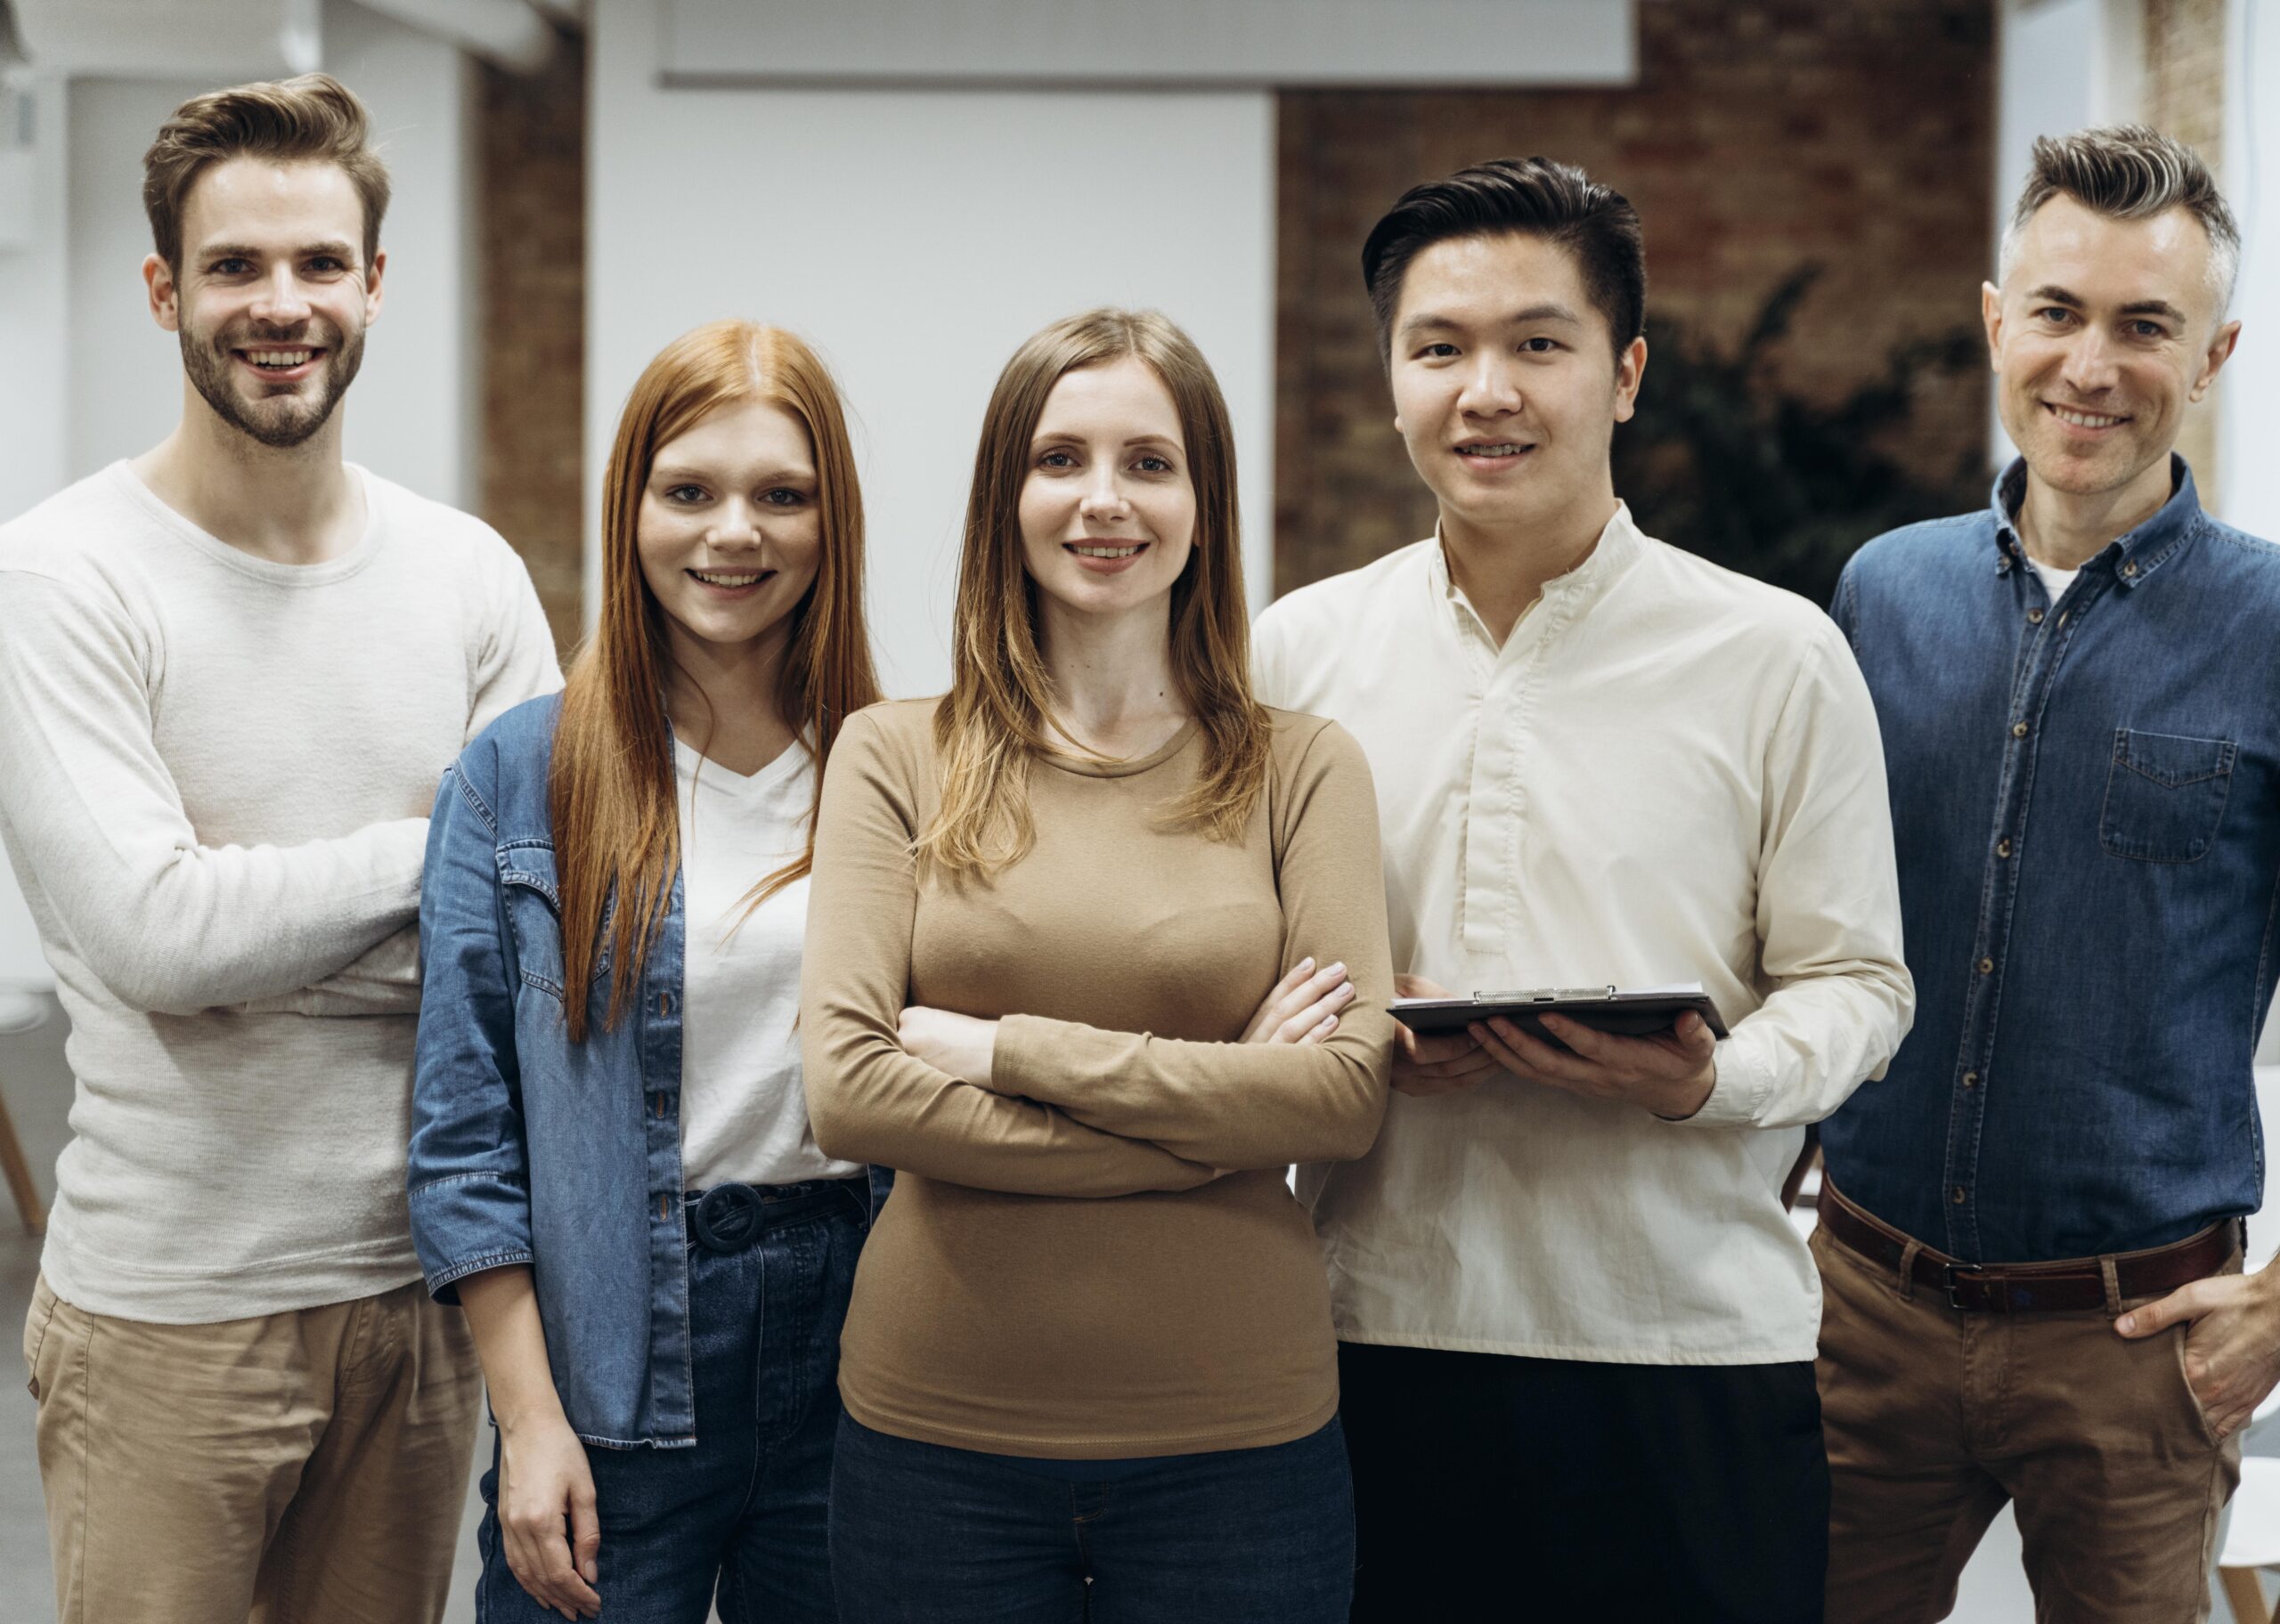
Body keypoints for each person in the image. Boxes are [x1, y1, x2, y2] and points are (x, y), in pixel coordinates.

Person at [1250, 156, 1915, 1622]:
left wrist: (1710, 1078)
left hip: (1688, 1355)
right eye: (1439, 349)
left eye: (1537, 344)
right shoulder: (1295, 654)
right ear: (1392, 382)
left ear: (1624, 376)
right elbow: (1235, 968)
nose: (1485, 391)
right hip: (1370, 1340)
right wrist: (1344, 1043)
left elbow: (1860, 984)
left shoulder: (1774, 656)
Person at [0, 74, 559, 1624]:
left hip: (426, 1295)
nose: (281, 304)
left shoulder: (468, 575)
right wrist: (441, 854)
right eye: (235, 266)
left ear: (374, 284)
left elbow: (532, 929)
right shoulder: (60, 579)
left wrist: (260, 938)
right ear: (163, 290)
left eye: (319, 263)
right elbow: (158, 937)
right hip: (172, 1314)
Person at [802, 306, 1395, 1623]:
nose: (1104, 499)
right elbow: (848, 1095)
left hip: (1240, 1445)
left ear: (1203, 503)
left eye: (1150, 462)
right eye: (1060, 459)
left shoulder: (1305, 768)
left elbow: (1344, 1098)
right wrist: (1218, 1119)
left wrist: (1005, 1051)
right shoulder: (892, 754)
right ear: (1004, 497)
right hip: (934, 1443)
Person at [1814, 124, 2280, 1623]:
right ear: (1995, 321)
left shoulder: (2272, 629)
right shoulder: (1881, 592)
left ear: (2212, 356)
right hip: (1863, 1314)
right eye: (2058, 313)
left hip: (2139, 1348)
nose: (2092, 365)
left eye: (2145, 325)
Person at [408, 320, 887, 1624]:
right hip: (611, 1363)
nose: (734, 533)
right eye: (689, 492)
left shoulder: (896, 765)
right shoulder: (520, 772)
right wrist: (530, 1422)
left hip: (863, 1350)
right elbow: (464, 1140)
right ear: (631, 508)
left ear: (831, 520)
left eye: (781, 495)